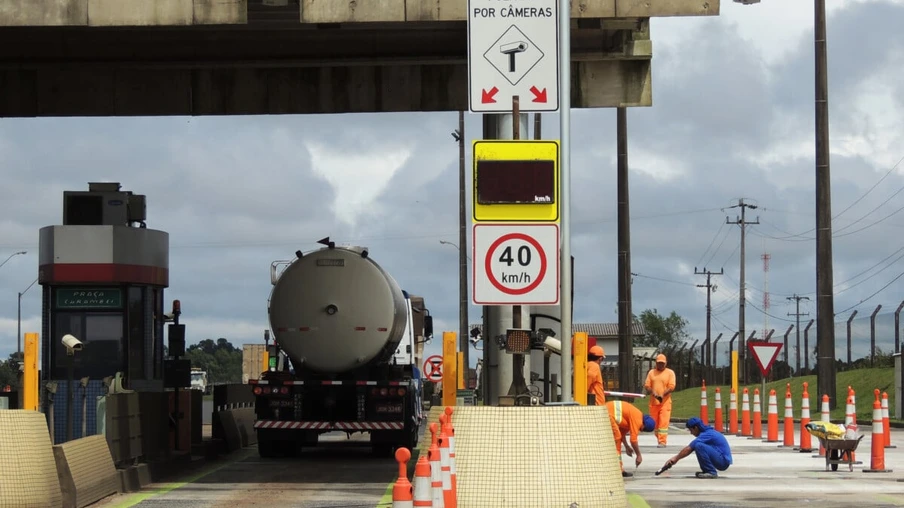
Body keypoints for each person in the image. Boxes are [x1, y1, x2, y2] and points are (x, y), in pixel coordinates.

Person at [661, 417, 732, 479]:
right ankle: (706, 471)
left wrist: (675, 458)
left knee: (698, 446)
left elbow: (689, 448)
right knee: (699, 445)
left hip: (723, 461)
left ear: (696, 428)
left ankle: (710, 472)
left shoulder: (707, 434)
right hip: (721, 458)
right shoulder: (707, 432)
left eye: (691, 430)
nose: (691, 433)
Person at [605, 399, 656, 477]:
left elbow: (622, 435)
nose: (641, 430)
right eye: (643, 429)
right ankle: (614, 468)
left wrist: (627, 446)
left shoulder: (632, 419)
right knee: (616, 438)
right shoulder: (637, 420)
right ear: (644, 424)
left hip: (608, 411)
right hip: (607, 412)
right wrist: (638, 455)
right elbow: (633, 440)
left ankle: (619, 470)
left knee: (618, 439)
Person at [643, 353, 676, 447]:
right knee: (655, 424)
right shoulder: (651, 373)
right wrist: (653, 393)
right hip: (653, 403)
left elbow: (671, 386)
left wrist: (662, 395)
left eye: (662, 363)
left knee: (663, 423)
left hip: (665, 403)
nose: (660, 365)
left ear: (666, 363)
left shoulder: (670, 373)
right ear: (656, 363)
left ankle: (662, 441)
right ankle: (658, 438)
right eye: (659, 363)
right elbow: (647, 385)